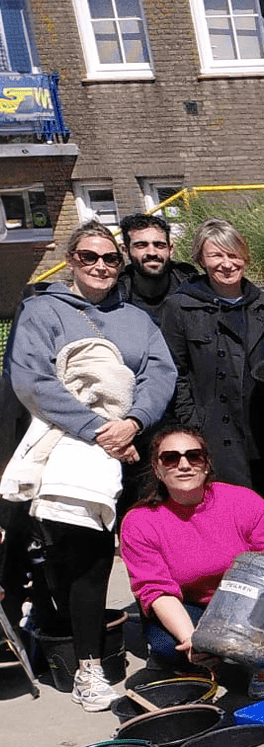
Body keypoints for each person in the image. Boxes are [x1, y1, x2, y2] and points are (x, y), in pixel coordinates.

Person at [6, 222, 176, 710]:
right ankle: (88, 667)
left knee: (148, 547)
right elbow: (32, 379)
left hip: (132, 445)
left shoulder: (136, 319)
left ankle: (172, 642)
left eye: (108, 258)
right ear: (71, 260)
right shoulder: (42, 311)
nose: (100, 266)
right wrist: (97, 431)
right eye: (88, 257)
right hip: (73, 450)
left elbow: (159, 373)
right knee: (89, 562)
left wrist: (133, 422)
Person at [120, 424, 264, 698]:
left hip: (248, 599)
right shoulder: (139, 522)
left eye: (194, 456)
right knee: (168, 644)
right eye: (171, 458)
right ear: (157, 468)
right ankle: (212, 662)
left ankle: (247, 660)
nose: (184, 464)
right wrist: (192, 639)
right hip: (193, 605)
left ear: (206, 463)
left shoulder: (241, 500)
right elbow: (156, 589)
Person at [161, 219, 264, 490]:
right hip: (214, 434)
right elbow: (174, 371)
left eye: (233, 254)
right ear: (201, 260)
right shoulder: (180, 307)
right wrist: (193, 424)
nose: (227, 264)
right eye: (216, 255)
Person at [115, 214, 195, 317]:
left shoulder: (195, 289)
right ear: (125, 250)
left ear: (170, 250)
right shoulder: (115, 296)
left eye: (159, 245)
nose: (152, 253)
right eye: (141, 245)